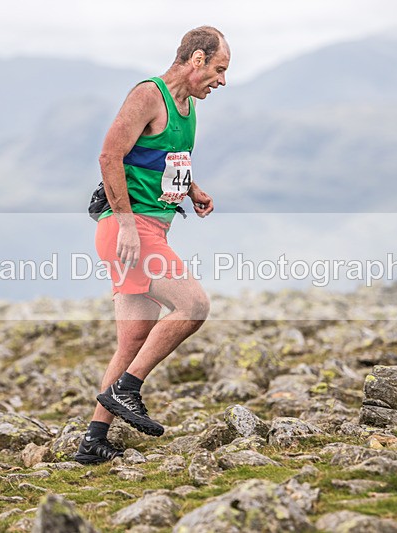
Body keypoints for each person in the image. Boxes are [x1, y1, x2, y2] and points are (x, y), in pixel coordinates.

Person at [74, 26, 229, 464]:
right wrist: (124, 223)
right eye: (219, 69)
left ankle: (93, 441)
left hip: (151, 229)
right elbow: (109, 156)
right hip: (129, 231)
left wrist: (192, 188)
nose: (222, 80)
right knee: (193, 305)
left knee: (132, 341)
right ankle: (128, 389)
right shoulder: (149, 94)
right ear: (196, 60)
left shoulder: (187, 106)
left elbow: (165, 158)